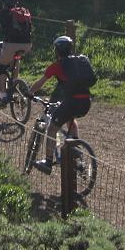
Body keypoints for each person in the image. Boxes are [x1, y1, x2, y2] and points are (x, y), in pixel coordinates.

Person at [28, 35, 94, 173]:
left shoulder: (57, 66)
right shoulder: (80, 61)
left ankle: (47, 161)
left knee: (52, 129)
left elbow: (40, 82)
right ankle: (75, 146)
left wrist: (30, 93)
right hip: (86, 102)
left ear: (57, 50)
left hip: (72, 102)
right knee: (71, 120)